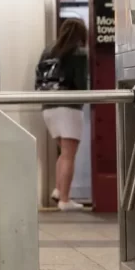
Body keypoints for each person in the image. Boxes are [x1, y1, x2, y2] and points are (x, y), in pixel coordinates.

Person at [35, 17, 89, 211]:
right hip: (69, 106)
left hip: (47, 107)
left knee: (63, 151)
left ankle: (59, 190)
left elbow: (38, 76)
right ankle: (65, 199)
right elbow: (82, 83)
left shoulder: (48, 50)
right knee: (69, 153)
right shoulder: (79, 53)